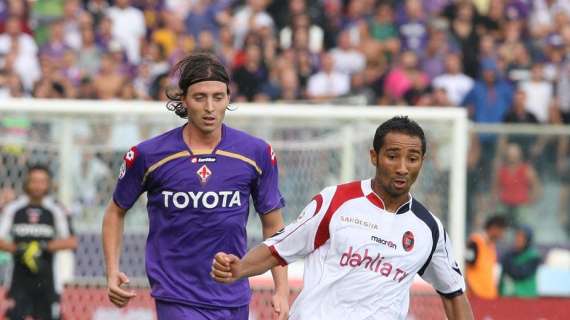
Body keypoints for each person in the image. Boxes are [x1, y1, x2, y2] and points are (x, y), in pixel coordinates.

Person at [211, 116, 474, 319]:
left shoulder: (429, 229)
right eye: (392, 156)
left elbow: (453, 294)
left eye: (412, 158)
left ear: (422, 161)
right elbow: (278, 248)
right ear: (374, 156)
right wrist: (239, 269)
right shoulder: (336, 201)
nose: (402, 167)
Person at [102, 53, 289, 320]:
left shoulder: (256, 153)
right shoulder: (149, 155)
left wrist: (281, 289)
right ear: (184, 100)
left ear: (228, 98)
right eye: (200, 97)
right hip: (176, 295)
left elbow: (273, 224)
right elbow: (115, 211)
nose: (210, 107)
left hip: (233, 295)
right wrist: (112, 271)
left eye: (218, 97)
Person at [0, 165, 77, 320]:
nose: (37, 185)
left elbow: (72, 241)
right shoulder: (13, 208)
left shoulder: (56, 209)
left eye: (42, 181)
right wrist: (18, 249)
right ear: (26, 183)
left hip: (47, 280)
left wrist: (44, 247)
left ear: (48, 184)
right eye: (34, 181)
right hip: (18, 279)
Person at [465, 215, 507, 299]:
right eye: (501, 231)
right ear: (494, 228)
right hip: (475, 296)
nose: (502, 234)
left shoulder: (492, 247)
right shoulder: (475, 243)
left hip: (489, 297)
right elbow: (467, 268)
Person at [499, 225, 541, 297]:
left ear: (528, 239)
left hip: (526, 297)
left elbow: (520, 273)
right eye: (517, 236)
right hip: (508, 297)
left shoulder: (533, 256)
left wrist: (508, 261)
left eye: (522, 237)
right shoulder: (509, 254)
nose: (518, 239)